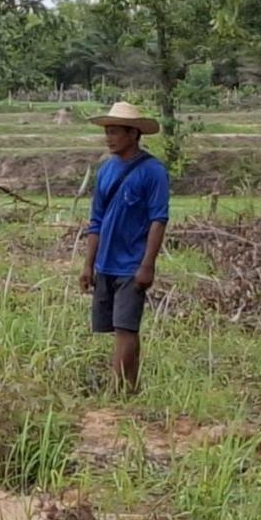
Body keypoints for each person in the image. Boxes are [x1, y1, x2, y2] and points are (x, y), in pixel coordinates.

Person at [79, 102, 169, 393]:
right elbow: (96, 221)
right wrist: (88, 264)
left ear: (133, 134)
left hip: (132, 264)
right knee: (121, 329)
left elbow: (158, 219)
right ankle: (131, 387)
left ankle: (114, 391)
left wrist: (148, 264)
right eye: (107, 131)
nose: (109, 138)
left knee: (125, 329)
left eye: (115, 132)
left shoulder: (153, 171)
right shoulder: (105, 171)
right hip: (106, 262)